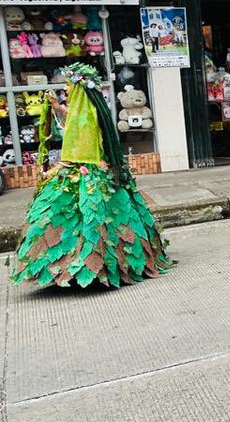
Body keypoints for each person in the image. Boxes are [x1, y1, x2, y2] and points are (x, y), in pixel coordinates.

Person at [10, 62, 171, 288]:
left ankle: (89, 267)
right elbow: (76, 123)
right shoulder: (89, 109)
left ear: (79, 87)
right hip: (96, 169)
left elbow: (79, 141)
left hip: (85, 170)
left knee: (86, 220)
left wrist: (60, 166)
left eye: (68, 85)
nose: (65, 89)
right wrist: (58, 107)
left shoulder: (84, 114)